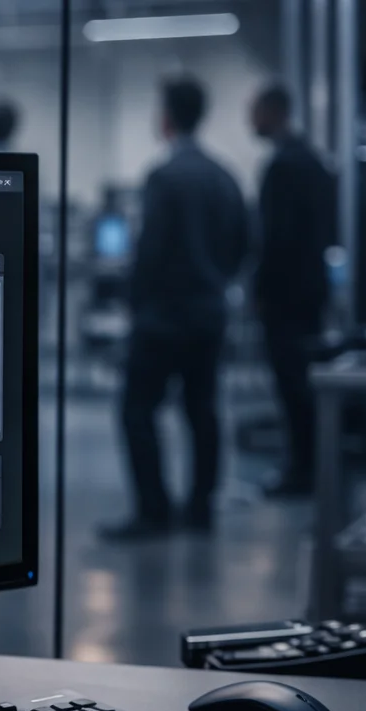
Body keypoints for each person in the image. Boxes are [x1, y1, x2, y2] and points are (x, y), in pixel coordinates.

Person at [100, 76, 248, 541]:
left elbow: (151, 252)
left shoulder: (164, 176)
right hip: (208, 313)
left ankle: (153, 510)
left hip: (163, 317)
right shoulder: (223, 175)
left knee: (136, 410)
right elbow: (245, 245)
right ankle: (200, 507)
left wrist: (134, 306)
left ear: (166, 116)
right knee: (202, 410)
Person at [250, 84, 334, 496]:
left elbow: (275, 239)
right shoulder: (314, 162)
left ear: (276, 110)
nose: (253, 120)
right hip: (311, 292)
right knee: (304, 385)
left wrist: (260, 289)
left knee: (293, 387)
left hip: (285, 298)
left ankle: (302, 471)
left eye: (257, 111)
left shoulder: (284, 166)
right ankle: (309, 467)